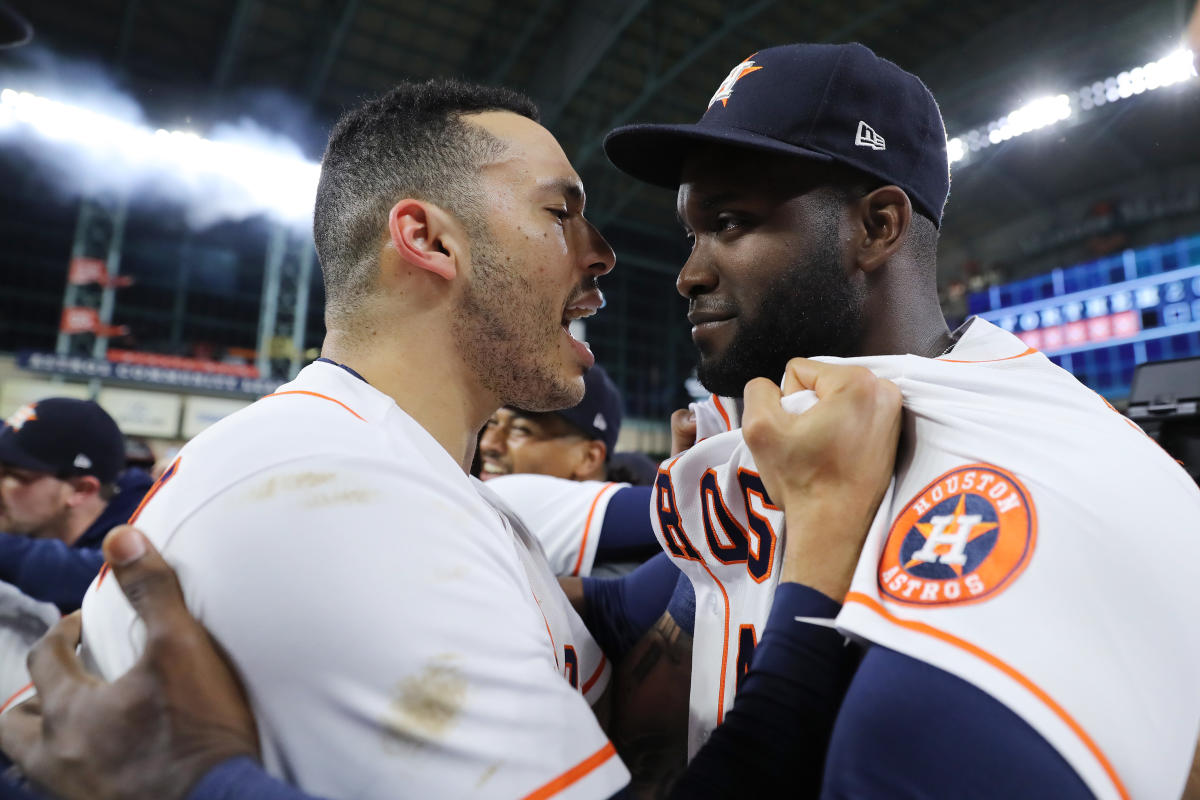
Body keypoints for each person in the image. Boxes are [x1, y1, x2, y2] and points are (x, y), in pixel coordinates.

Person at [0, 78, 903, 800]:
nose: (602, 254)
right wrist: (817, 571)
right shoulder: (338, 499)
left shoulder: (402, 474)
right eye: (560, 212)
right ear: (427, 238)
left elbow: (635, 620)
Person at [599, 41, 1200, 798]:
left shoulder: (1035, 469)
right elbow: (640, 610)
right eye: (693, 233)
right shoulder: (788, 431)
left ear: (878, 227)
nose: (690, 273)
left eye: (731, 222)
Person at [481, 364, 660, 576]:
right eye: (491, 422)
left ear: (588, 457)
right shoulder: (500, 497)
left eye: (521, 429)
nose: (488, 444)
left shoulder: (504, 496)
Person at [0, 398, 153, 613]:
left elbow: (100, 577)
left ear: (81, 490)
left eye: (14, 475)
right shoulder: (30, 524)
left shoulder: (148, 533)